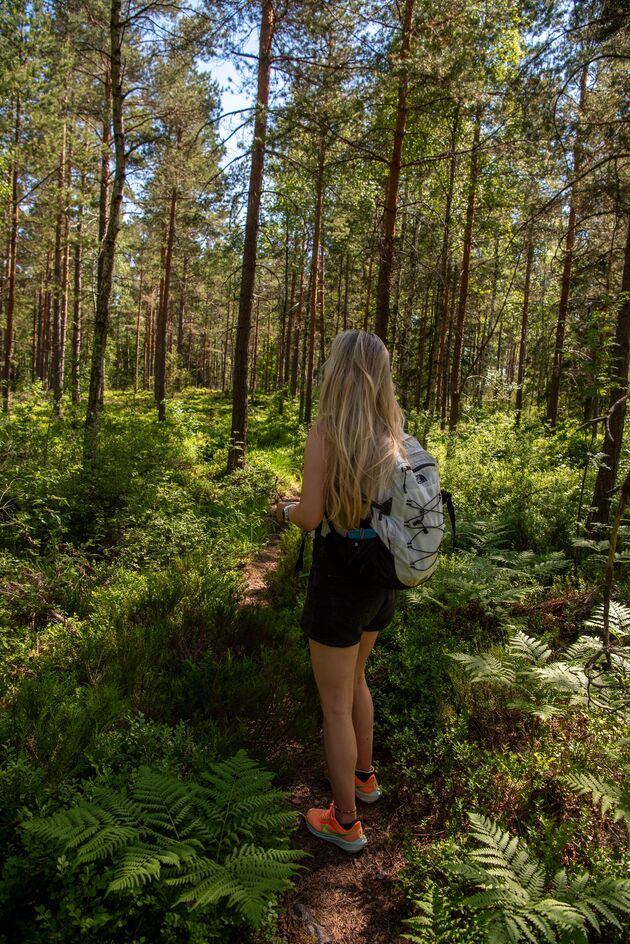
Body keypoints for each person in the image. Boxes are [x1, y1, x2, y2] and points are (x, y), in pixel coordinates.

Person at [272, 330, 405, 853]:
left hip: (340, 582)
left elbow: (308, 517)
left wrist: (282, 510)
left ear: (338, 372)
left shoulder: (327, 431)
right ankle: (366, 779)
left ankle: (345, 821)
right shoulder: (391, 430)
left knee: (333, 706)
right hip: (382, 577)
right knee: (356, 682)